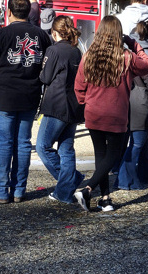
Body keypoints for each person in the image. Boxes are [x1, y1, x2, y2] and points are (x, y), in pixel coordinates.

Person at [73, 16, 148, 212]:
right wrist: (134, 44)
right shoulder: (126, 57)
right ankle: (87, 190)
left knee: (101, 155)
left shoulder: (88, 55)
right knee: (113, 155)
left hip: (93, 111)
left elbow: (79, 86)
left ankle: (106, 198)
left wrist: (86, 102)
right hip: (116, 113)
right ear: (119, 35)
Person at [0, 0, 51, 203]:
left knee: (3, 145)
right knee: (23, 144)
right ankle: (19, 190)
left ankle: (0, 191)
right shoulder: (42, 36)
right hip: (29, 96)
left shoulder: (1, 35)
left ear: (8, 12)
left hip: (3, 97)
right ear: (29, 13)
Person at [35, 15, 84, 204]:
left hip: (56, 104)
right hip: (74, 105)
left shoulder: (53, 50)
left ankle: (69, 181)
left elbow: (45, 77)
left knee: (43, 146)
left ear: (54, 33)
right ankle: (64, 192)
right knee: (66, 149)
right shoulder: (76, 50)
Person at [116, 20, 148, 190]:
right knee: (137, 144)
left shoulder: (126, 49)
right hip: (141, 104)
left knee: (143, 143)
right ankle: (124, 180)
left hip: (126, 100)